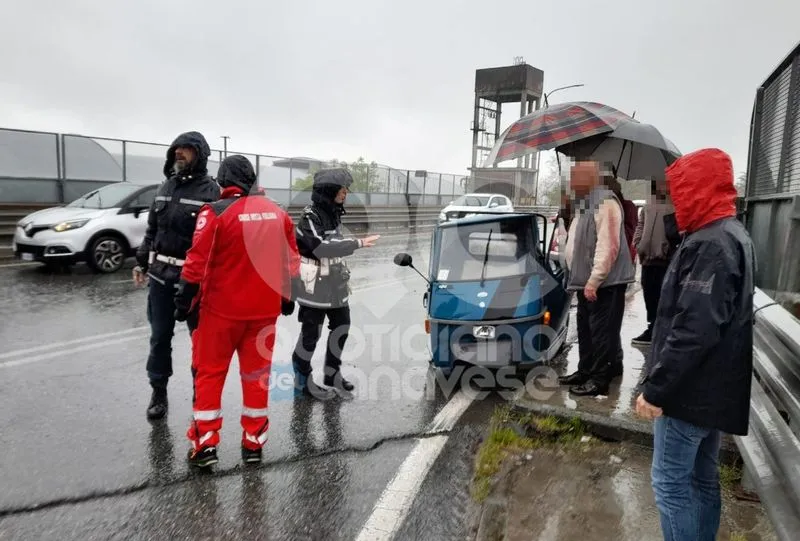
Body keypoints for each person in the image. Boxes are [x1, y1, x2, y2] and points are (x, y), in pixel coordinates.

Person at [636, 148, 755, 541]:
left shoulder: (710, 244)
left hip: (688, 395)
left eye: (681, 191)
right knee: (702, 479)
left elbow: (693, 330)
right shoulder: (731, 233)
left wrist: (656, 389)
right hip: (711, 392)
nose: (676, 200)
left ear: (698, 189)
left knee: (670, 485)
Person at [174, 155, 300, 468]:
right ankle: (253, 444)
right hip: (264, 313)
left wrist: (183, 301)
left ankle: (205, 446)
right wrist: (288, 297)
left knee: (210, 374)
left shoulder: (215, 212)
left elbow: (196, 262)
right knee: (257, 377)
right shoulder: (278, 213)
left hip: (220, 313)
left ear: (223, 181)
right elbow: (291, 261)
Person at [133, 131, 220, 421]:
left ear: (200, 154)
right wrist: (142, 262)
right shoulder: (165, 187)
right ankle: (158, 392)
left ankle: (200, 393)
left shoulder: (212, 192)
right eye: (176, 149)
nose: (179, 152)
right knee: (159, 338)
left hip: (194, 282)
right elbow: (152, 231)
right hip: (160, 278)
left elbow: (219, 240)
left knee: (201, 343)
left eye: (186, 148)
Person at [291, 168, 380, 399]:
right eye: (342, 189)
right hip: (314, 283)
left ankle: (332, 373)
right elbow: (320, 247)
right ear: (329, 190)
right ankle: (302, 381)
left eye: (346, 189)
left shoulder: (333, 213)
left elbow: (335, 242)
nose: (345, 193)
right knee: (311, 334)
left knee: (342, 326)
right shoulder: (310, 216)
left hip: (335, 282)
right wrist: (357, 243)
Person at [558, 161, 635, 396]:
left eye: (576, 177)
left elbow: (608, 245)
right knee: (586, 330)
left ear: (590, 179)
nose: (571, 182)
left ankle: (599, 379)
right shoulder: (586, 203)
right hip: (586, 282)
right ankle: (585, 371)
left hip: (604, 284)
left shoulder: (606, 202)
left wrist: (594, 280)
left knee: (602, 333)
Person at [631, 179, 676, 345]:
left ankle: (662, 330)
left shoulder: (674, 204)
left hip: (664, 260)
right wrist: (638, 243)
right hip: (647, 259)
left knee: (663, 297)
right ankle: (652, 328)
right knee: (649, 296)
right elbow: (640, 225)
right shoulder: (648, 203)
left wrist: (668, 248)